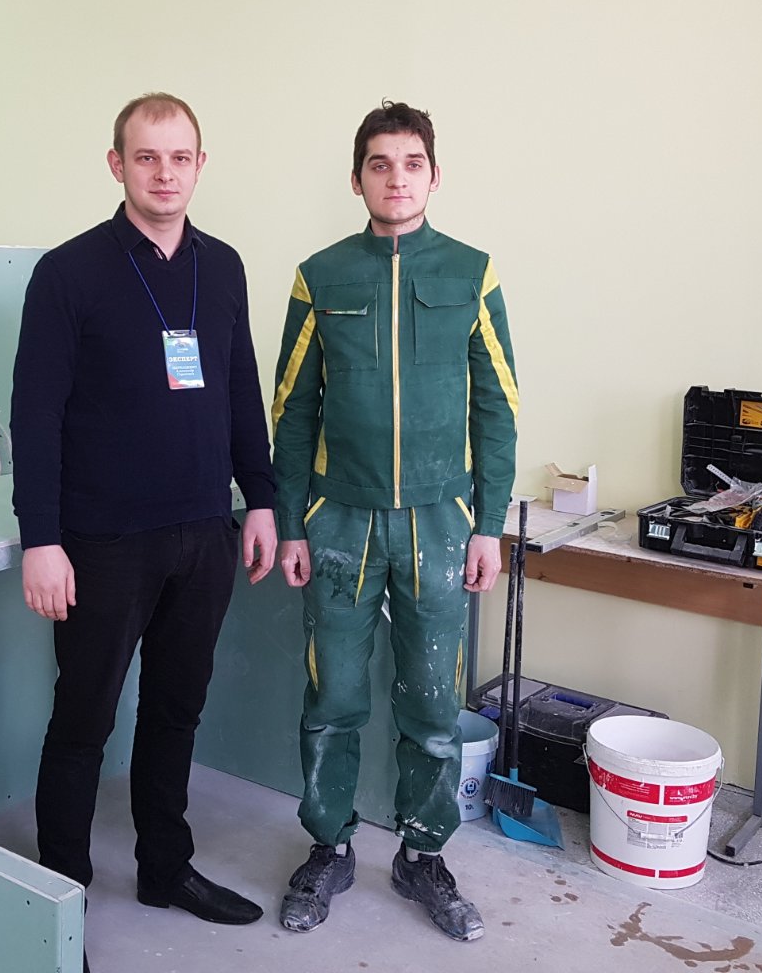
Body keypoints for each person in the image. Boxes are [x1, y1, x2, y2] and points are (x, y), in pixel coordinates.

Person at [11, 93, 277, 968]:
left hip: (203, 532)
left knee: (175, 711)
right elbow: (35, 415)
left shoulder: (223, 267)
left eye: (180, 156)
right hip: (103, 541)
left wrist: (261, 498)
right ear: (116, 164)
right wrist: (41, 539)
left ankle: (166, 867)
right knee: (83, 721)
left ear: (201, 165)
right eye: (147, 156)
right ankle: (61, 903)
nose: (165, 173)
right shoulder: (69, 272)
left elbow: (239, 389)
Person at [265, 100, 518, 942]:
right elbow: (291, 411)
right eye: (380, 164)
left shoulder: (473, 273)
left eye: (412, 164)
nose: (397, 179)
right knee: (333, 695)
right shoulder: (321, 275)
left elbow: (499, 409)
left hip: (442, 524)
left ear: (434, 176)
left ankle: (423, 855)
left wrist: (488, 525)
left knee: (433, 701)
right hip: (339, 522)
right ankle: (328, 846)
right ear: (357, 179)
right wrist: (292, 523)